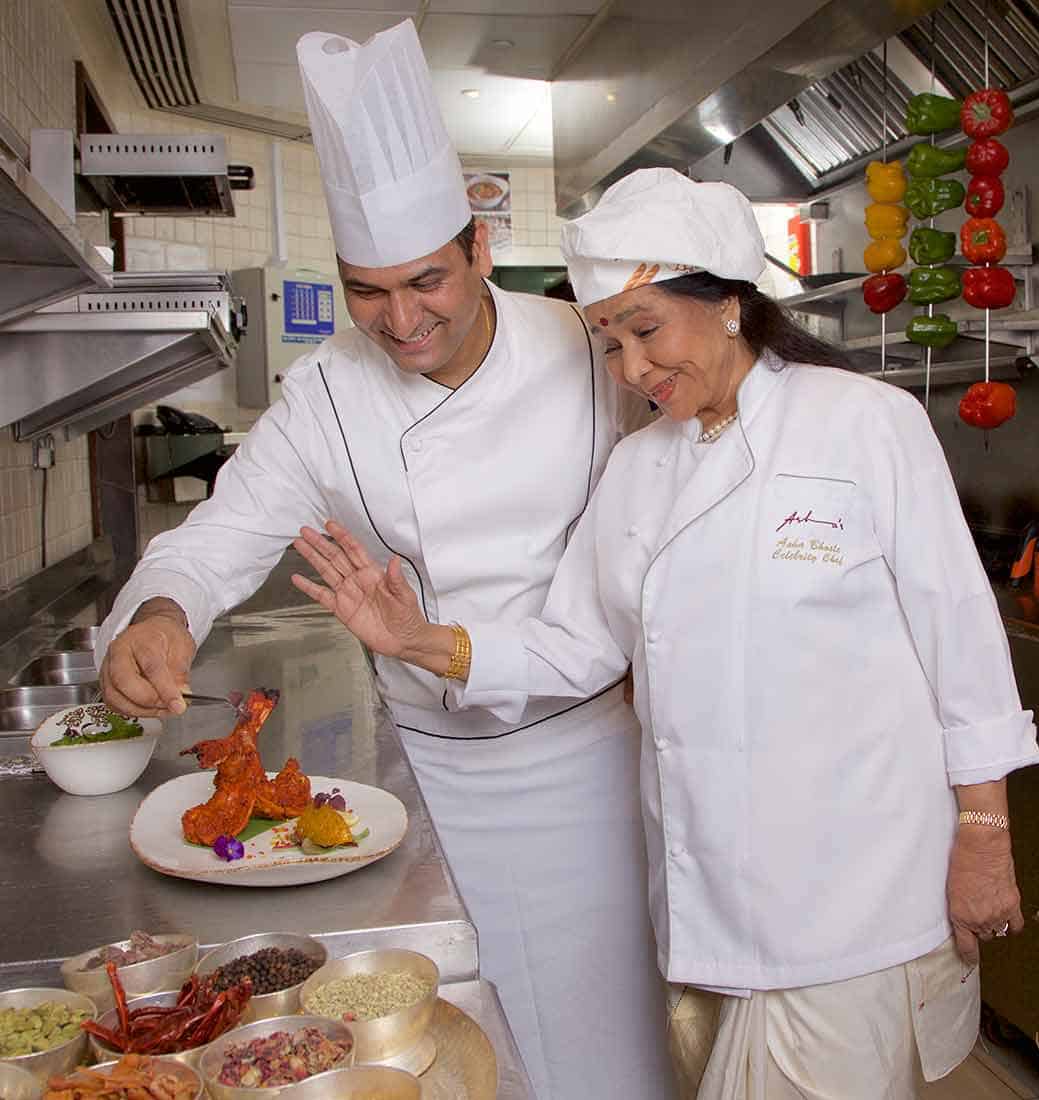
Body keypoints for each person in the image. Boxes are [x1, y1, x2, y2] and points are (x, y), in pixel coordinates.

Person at [289, 168, 1039, 1099]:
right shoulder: (640, 468)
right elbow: (575, 646)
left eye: (646, 330)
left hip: (852, 892)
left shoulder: (863, 424)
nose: (632, 370)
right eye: (609, 342)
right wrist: (416, 639)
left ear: (728, 304)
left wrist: (984, 834)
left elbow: (964, 645)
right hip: (702, 899)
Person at [94, 24, 674, 1100]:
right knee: (442, 1037)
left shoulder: (589, 353)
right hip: (429, 772)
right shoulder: (325, 390)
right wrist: (163, 610)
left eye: (426, 280)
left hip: (583, 761)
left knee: (601, 1041)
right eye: (366, 290)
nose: (400, 319)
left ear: (479, 249)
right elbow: (227, 529)